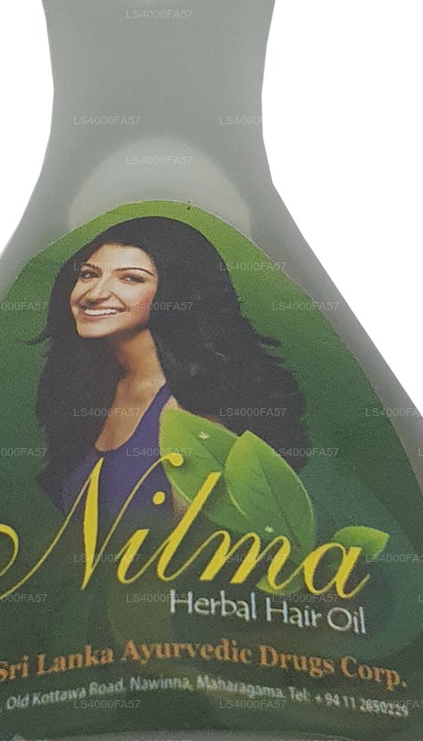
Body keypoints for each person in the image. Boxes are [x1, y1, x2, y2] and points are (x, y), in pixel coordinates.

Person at [32, 215, 308, 516]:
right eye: (88, 275)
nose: (95, 294)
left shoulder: (188, 410)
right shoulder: (89, 392)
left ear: (176, 291)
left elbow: (199, 540)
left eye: (131, 278)